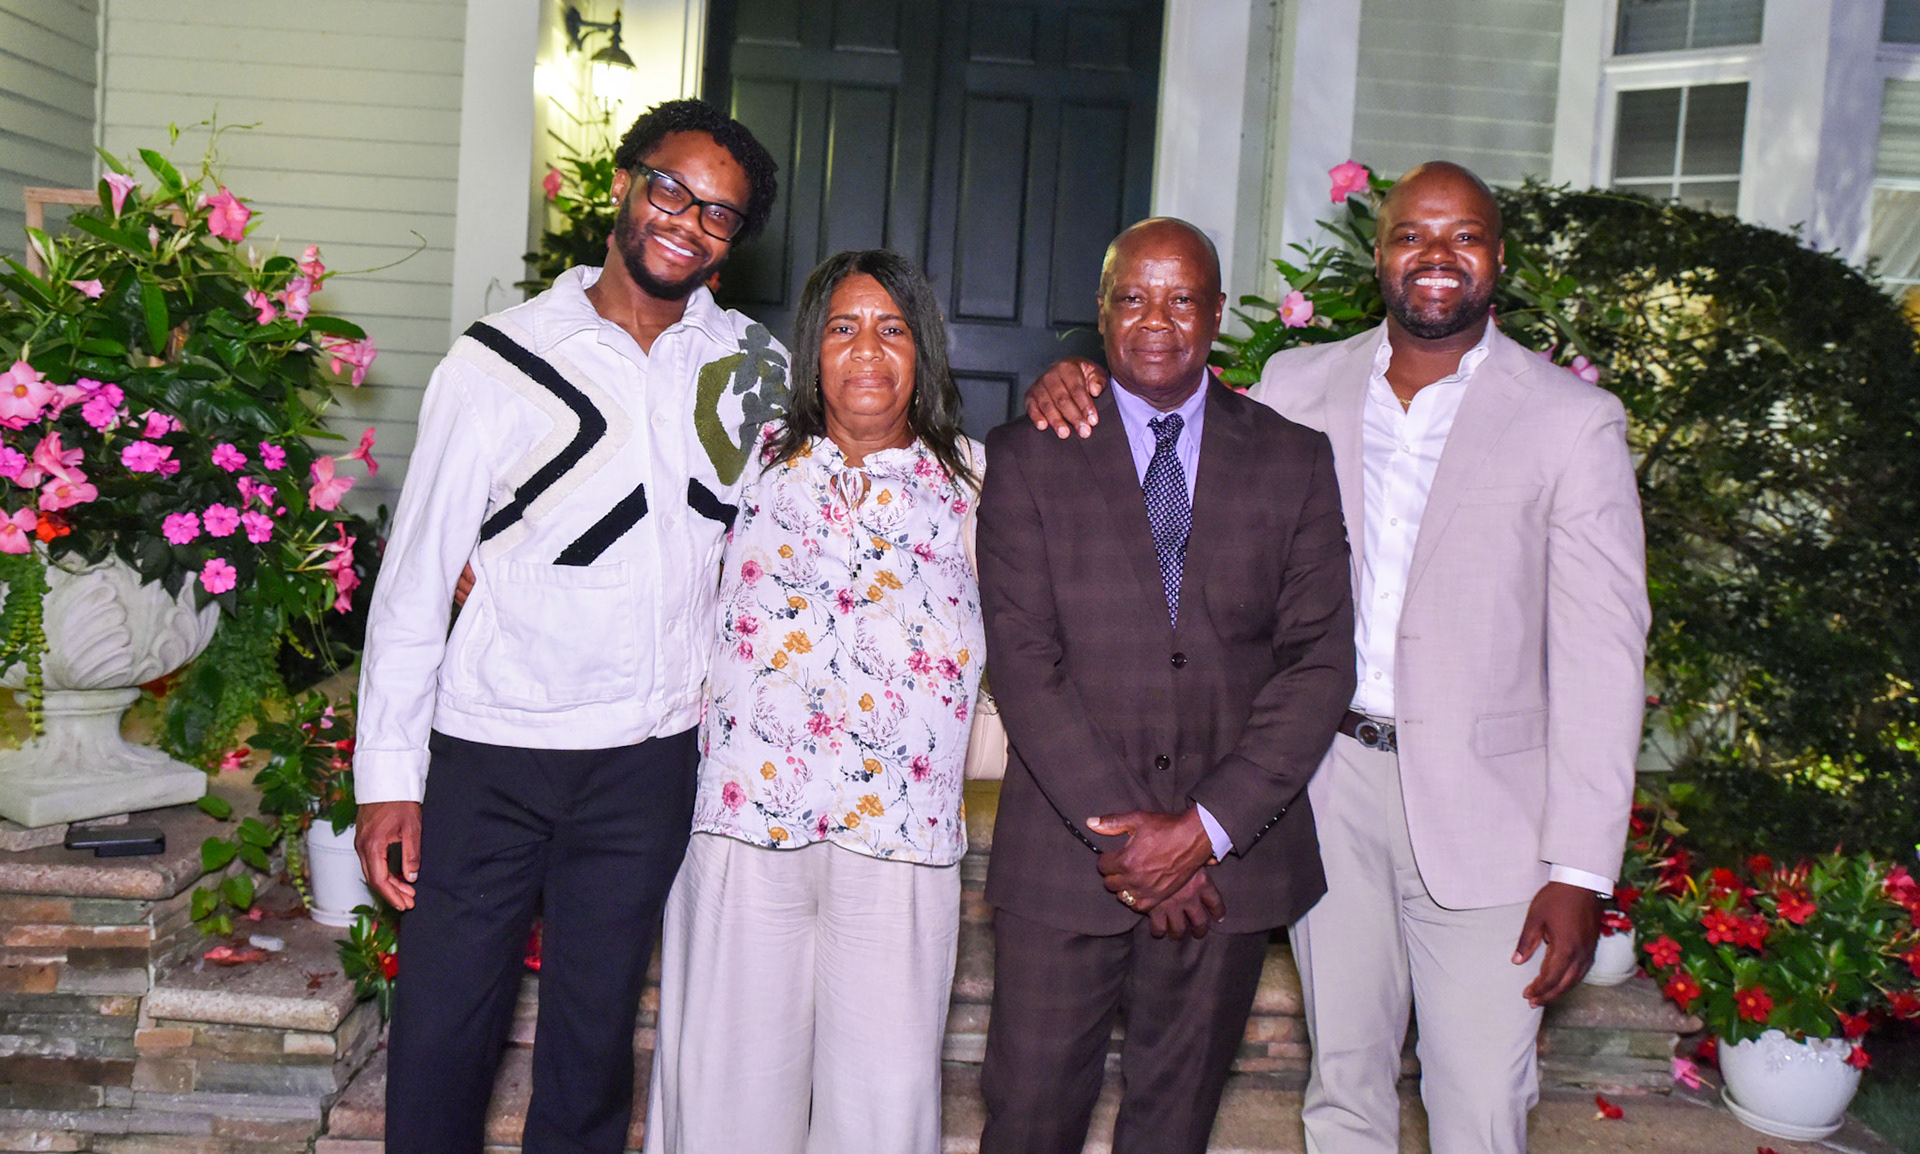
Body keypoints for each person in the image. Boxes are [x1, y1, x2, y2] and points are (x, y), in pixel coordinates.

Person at [1023, 162, 1650, 1153]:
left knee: (1480, 1097)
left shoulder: (1570, 422)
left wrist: (1581, 867)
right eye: (1412, 234)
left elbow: (1603, 656)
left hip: (1490, 810)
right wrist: (1079, 381)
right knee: (1345, 1083)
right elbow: (1169, 419)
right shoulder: (1297, 384)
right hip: (1324, 785)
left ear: (1498, 257)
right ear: (1379, 254)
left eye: (1463, 236)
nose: (1436, 256)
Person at [350, 99, 786, 1154]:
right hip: (492, 750)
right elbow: (414, 578)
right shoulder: (497, 360)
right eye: (670, 189)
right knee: (444, 1031)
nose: (686, 221)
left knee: (591, 1049)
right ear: (624, 186)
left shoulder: (755, 369)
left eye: (719, 213)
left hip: (647, 757)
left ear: (733, 241)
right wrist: (387, 777)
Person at [976, 217, 1355, 1154]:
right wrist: (1137, 844)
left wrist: (1201, 833)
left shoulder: (1294, 459)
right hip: (1065, 861)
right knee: (1027, 1122)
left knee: (1173, 1131)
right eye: (1134, 298)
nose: (1157, 320)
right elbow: (1022, 660)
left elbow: (1318, 662)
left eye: (1182, 299)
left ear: (1217, 314)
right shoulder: (1029, 453)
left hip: (1227, 868)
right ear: (1103, 312)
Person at [644, 249, 984, 1154]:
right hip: (746, 826)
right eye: (842, 328)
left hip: (899, 842)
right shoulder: (746, 465)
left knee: (882, 1106)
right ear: (810, 350)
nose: (866, 349)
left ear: (924, 351)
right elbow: (643, 548)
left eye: (892, 328)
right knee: (725, 1096)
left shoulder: (978, 484)